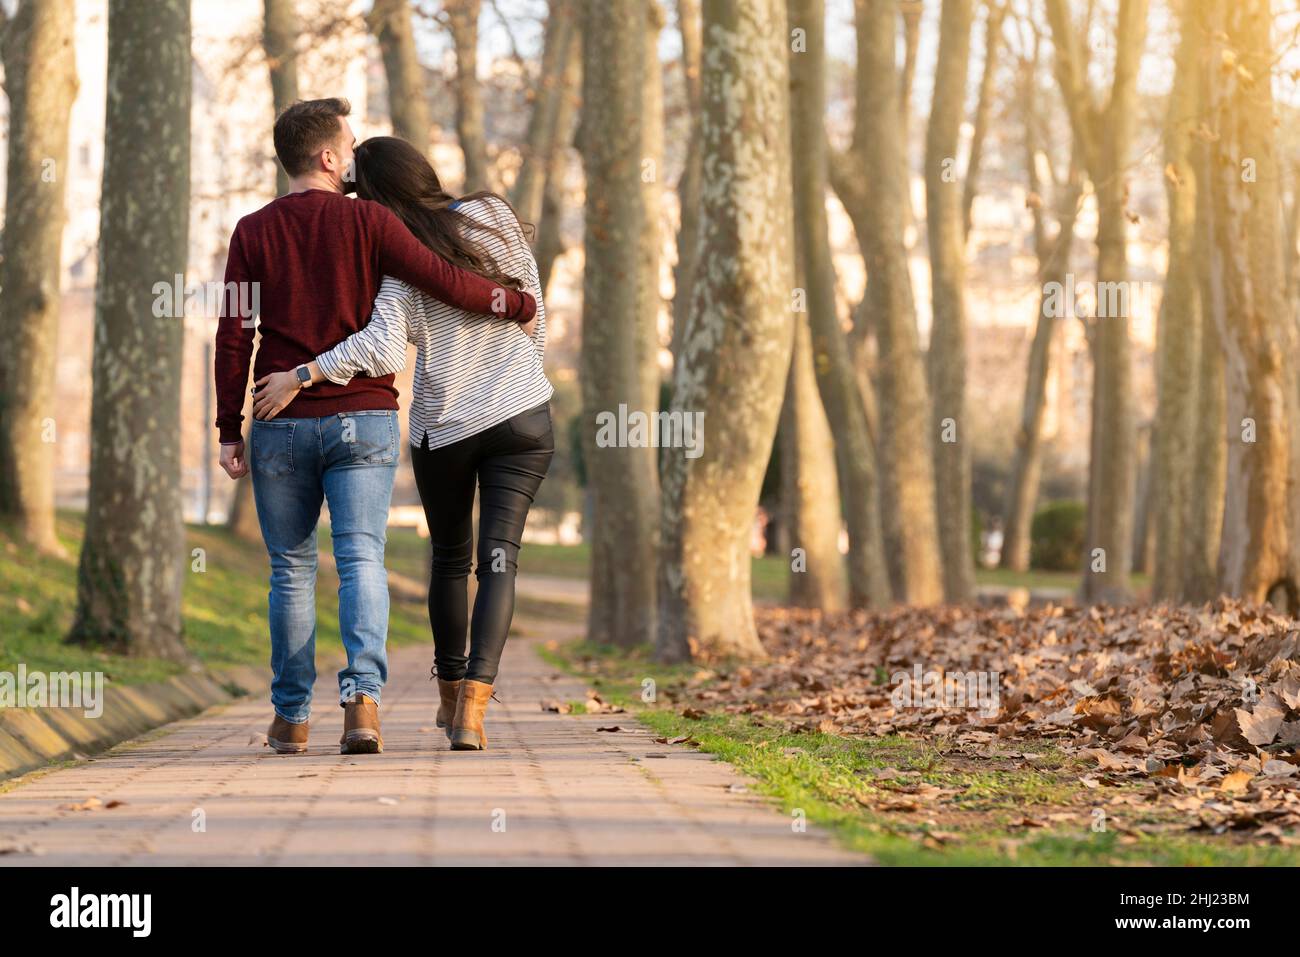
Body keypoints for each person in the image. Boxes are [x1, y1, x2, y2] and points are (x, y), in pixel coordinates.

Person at [213, 101, 535, 756]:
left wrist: (228, 425)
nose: (356, 159)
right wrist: (515, 301)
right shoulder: (371, 223)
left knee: (291, 569)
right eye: (350, 147)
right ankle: (362, 705)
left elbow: (232, 332)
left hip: (281, 421)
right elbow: (446, 280)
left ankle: (292, 716)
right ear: (329, 159)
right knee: (362, 556)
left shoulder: (251, 231)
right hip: (363, 417)